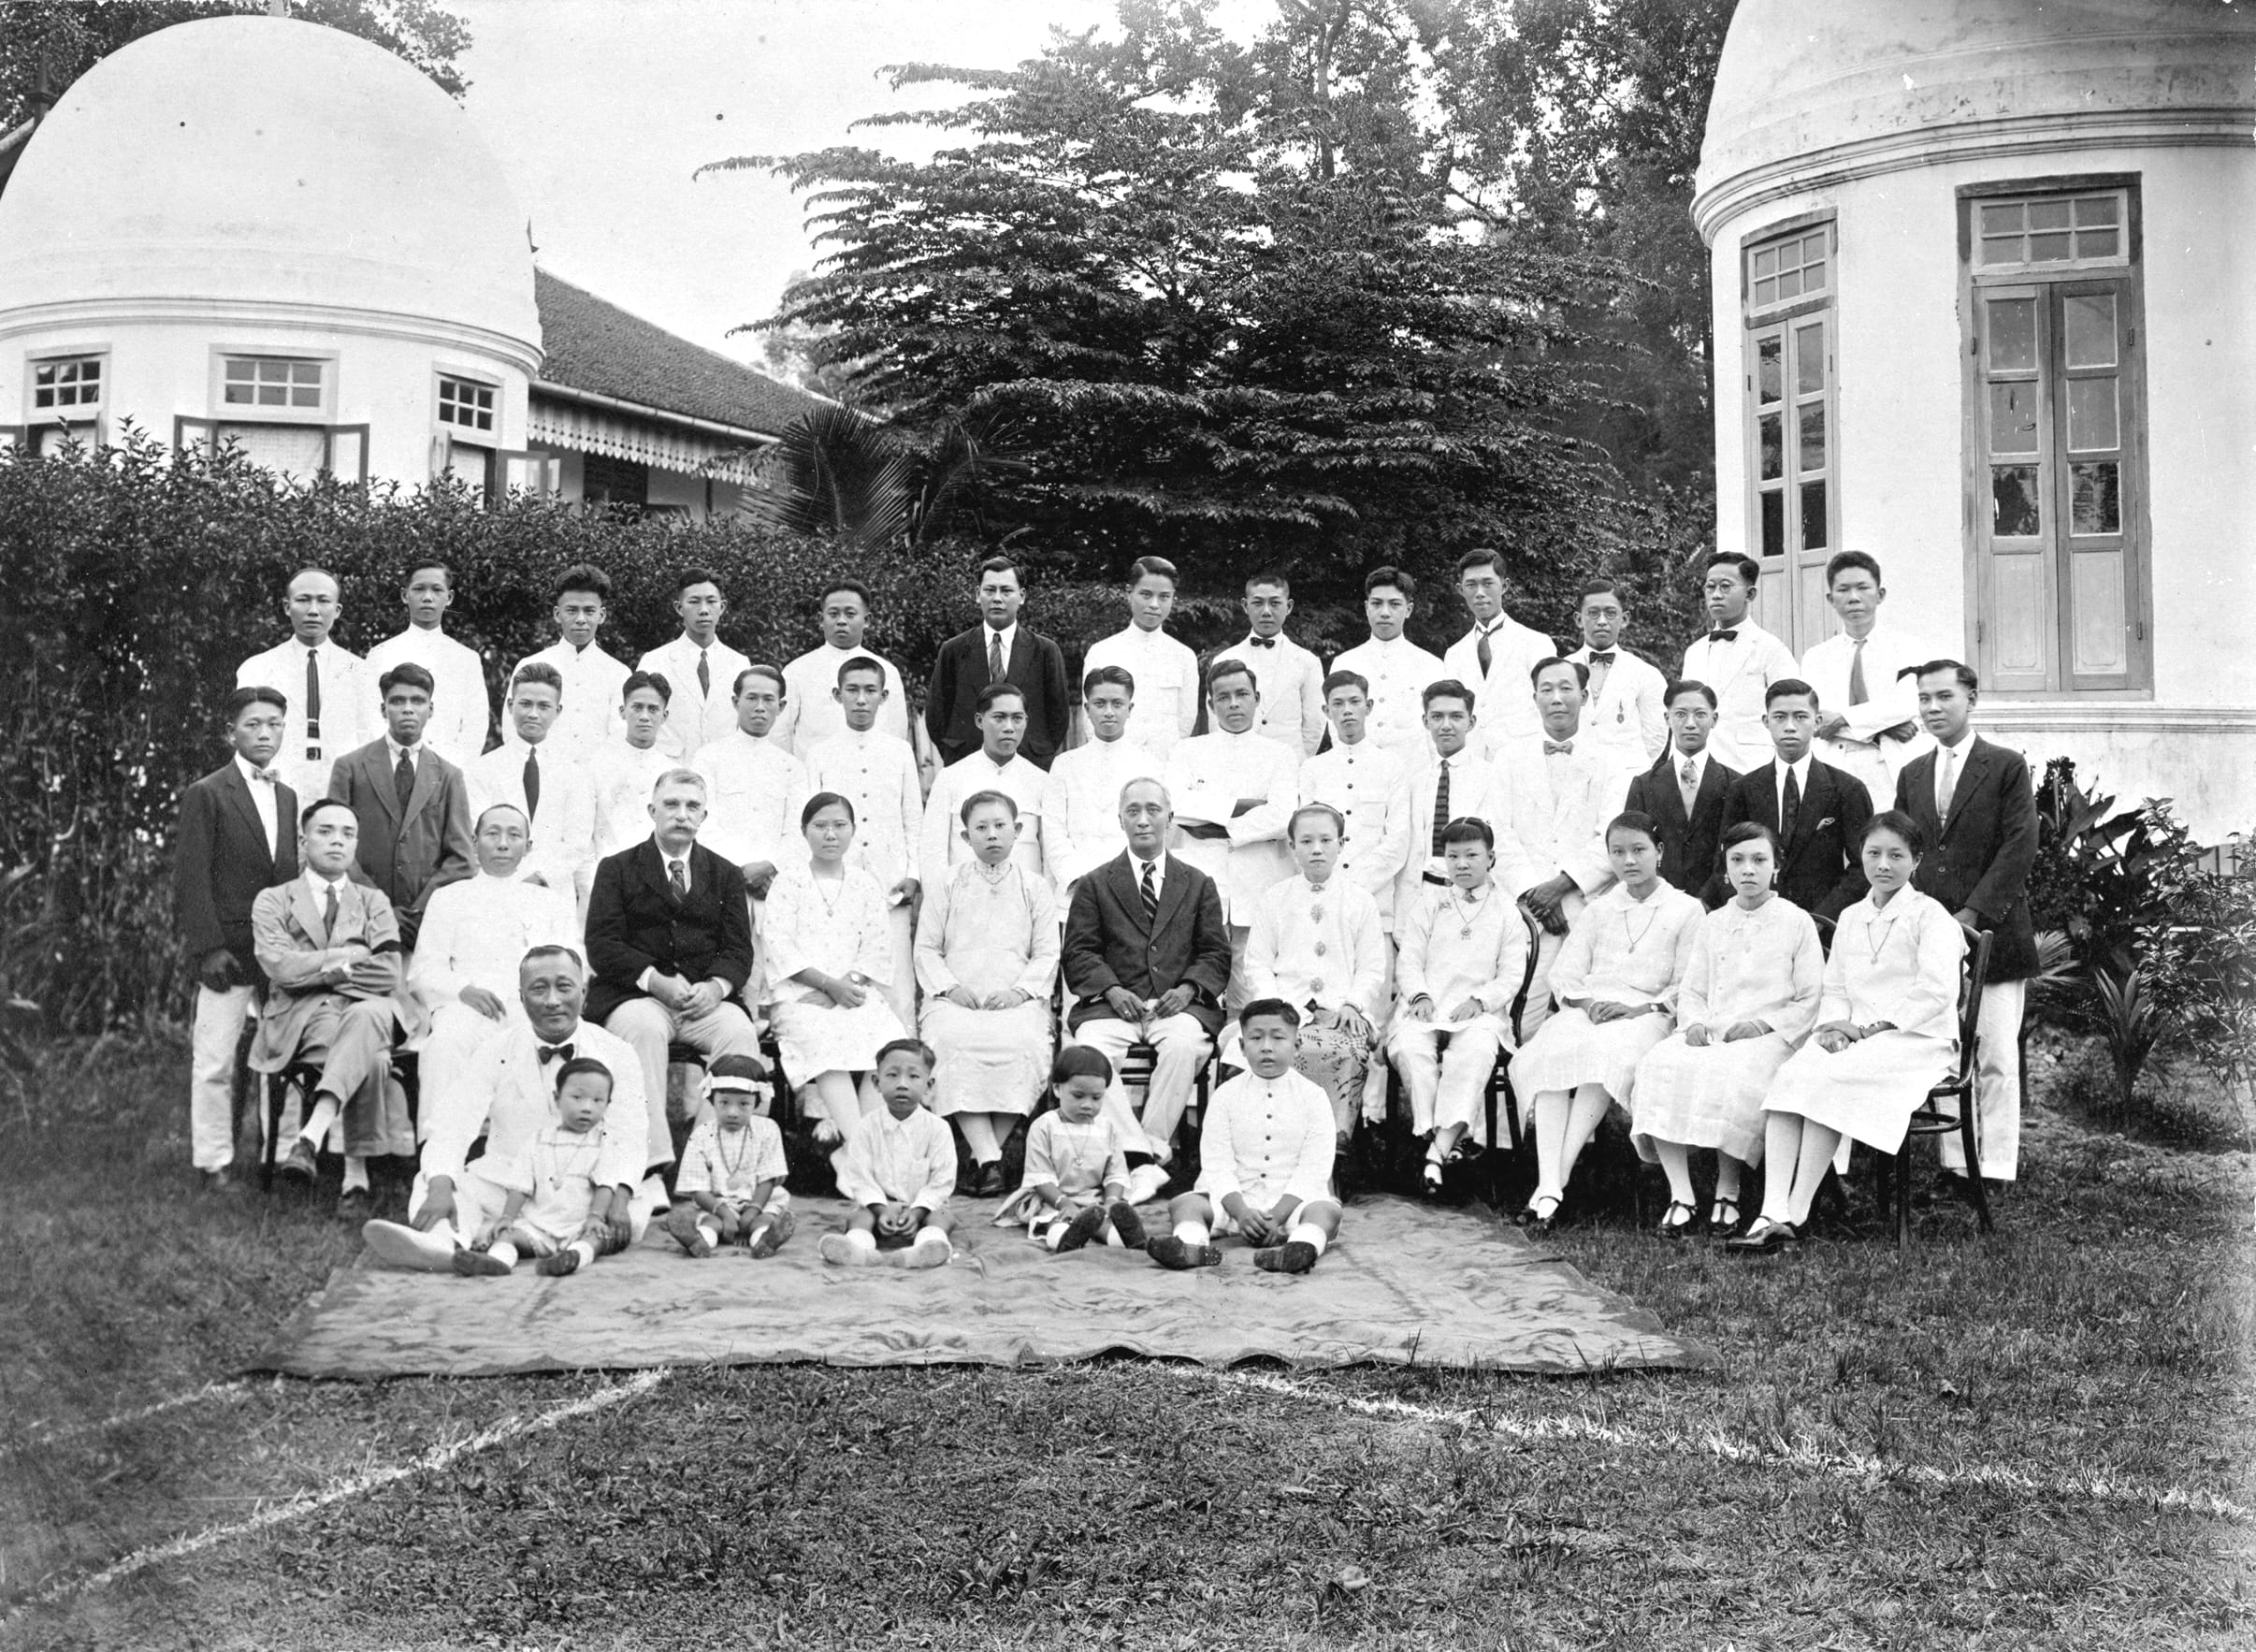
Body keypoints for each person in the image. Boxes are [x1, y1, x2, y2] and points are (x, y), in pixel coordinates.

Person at [1730, 812, 1965, 1254]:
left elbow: (1936, 992)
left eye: (1897, 855)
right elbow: (1835, 987)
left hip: (1916, 1039)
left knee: (1833, 1079)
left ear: (1916, 861)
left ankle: (1795, 1213)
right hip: (1855, 1035)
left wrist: (1870, 1028)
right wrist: (1832, 1030)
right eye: (1873, 853)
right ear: (1860, 857)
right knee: (1795, 1074)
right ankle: (1771, 1208)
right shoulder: (1853, 917)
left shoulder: (1930, 916)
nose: (1883, 865)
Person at [362, 944, 656, 1272]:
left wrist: (617, 1200)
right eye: (539, 988)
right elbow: (453, 1121)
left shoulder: (617, 1051)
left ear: (584, 992)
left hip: (587, 1188)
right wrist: (441, 1185)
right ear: (521, 996)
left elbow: (629, 1134)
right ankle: (444, 1246)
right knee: (435, 1180)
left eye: (564, 986)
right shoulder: (495, 1049)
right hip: (511, 1182)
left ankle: (510, 1238)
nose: (553, 1000)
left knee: (633, 1209)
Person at [1506, 812, 1703, 1230]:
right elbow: (1567, 973)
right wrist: (1590, 1004)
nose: (1629, 861)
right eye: (1618, 852)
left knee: (1602, 1058)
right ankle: (1548, 1185)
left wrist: (1639, 1010)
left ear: (1659, 852)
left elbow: (1688, 982)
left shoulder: (1685, 910)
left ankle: (1551, 1186)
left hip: (1647, 1015)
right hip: (1590, 1009)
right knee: (1549, 1057)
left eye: (1638, 850)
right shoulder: (1599, 910)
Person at [1630, 822, 1825, 1239]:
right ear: (1725, 868)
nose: (1748, 870)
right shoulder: (1714, 921)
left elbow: (1810, 997)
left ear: (1776, 866)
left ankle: (1728, 1189)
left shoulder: (1796, 922)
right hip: (1714, 1028)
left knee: (1734, 1075)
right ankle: (1681, 1194)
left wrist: (1763, 1024)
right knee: (1657, 1064)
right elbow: (1693, 988)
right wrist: (1695, 1022)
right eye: (1737, 860)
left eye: (1759, 860)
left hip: (1772, 1036)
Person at [1894, 659, 2039, 1188]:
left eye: (1944, 697)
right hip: (1930, 937)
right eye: (1924, 699)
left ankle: (1997, 1164)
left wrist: (1971, 916)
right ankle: (1957, 1161)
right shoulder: (1912, 774)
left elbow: (2020, 846)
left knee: (1997, 1053)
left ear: (1971, 699)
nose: (1932, 708)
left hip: (1993, 934)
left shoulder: (2004, 766)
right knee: (1942, 1049)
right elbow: (1903, 850)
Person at [584, 768, 764, 1173]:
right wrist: (654, 980)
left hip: (704, 1003)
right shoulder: (617, 868)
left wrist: (717, 987)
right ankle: (651, 1160)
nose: (682, 814)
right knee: (643, 1031)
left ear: (704, 816)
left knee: (738, 1032)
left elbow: (738, 948)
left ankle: (708, 1159)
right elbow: (602, 944)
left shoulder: (725, 874)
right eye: (671, 804)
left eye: (692, 807)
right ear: (652, 810)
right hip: (637, 996)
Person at [253, 799, 423, 1221]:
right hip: (304, 1015)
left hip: (375, 1006)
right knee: (373, 1055)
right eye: (326, 831)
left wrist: (313, 964)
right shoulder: (274, 900)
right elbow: (279, 966)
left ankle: (310, 1137)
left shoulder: (373, 900)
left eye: (347, 834)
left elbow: (386, 972)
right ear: (303, 839)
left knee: (365, 1017)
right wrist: (343, 958)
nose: (337, 841)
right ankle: (355, 1176)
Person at [1063, 778, 1233, 1162]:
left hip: (1177, 1008)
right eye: (1133, 811)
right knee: (1090, 1054)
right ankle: (1141, 1150)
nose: (1143, 820)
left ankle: (1149, 1146)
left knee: (1184, 1046)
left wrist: (1189, 989)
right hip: (1111, 1008)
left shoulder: (1198, 883)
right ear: (1119, 820)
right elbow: (1079, 952)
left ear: (1170, 819)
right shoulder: (1094, 884)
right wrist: (1111, 990)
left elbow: (1215, 953)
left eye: (1153, 810)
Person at [175, 685, 299, 1194]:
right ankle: (212, 1160)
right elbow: (191, 877)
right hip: (227, 951)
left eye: (273, 723)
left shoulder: (288, 797)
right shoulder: (208, 792)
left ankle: (286, 1153)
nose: (264, 733)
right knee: (215, 1059)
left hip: (279, 952)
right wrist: (208, 948)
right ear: (231, 732)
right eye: (252, 724)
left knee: (283, 1054)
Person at [407, 804, 580, 1149]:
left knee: (539, 1048)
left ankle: (532, 1153)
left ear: (528, 847)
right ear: (474, 842)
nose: (503, 844)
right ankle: (441, 1155)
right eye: (492, 833)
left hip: (530, 1010)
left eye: (514, 835)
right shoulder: (449, 898)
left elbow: (571, 966)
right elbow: (424, 969)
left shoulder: (551, 903)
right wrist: (464, 991)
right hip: (465, 1007)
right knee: (445, 1044)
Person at [918, 790, 1060, 1195]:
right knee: (950, 1042)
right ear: (966, 837)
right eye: (981, 828)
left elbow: (1048, 951)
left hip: (1016, 1000)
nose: (992, 835)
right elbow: (926, 947)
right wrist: (951, 987)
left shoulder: (1035, 887)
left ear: (1017, 831)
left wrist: (1020, 992)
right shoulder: (947, 883)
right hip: (956, 999)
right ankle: (992, 1157)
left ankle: (985, 1158)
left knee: (1023, 1044)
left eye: (1000, 826)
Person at [1148, 1000, 1342, 1274]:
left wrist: (1278, 1216)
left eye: (1278, 1037)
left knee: (1327, 1211)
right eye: (1255, 1037)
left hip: (1293, 1202)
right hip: (1234, 1203)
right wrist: (1240, 1212)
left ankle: (1300, 1248)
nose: (1266, 1046)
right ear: (1241, 1047)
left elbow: (1315, 1168)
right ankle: (1190, 1247)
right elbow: (1216, 1162)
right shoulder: (1225, 1095)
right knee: (1185, 1203)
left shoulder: (1314, 1097)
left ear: (1297, 1046)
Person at [1387, 818, 1530, 1189]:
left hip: (1478, 1012)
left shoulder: (1506, 911)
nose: (1462, 864)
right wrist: (1419, 996)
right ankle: (1446, 1145)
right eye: (1453, 856)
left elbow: (1511, 975)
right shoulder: (1430, 904)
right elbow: (1409, 960)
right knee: (1409, 1048)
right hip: (1427, 1005)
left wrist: (1480, 1001)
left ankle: (1434, 1155)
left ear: (1491, 858)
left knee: (1474, 1053)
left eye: (1471, 855)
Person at [763, 792, 908, 1141]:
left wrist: (847, 984)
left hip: (854, 991)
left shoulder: (864, 883)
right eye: (821, 826)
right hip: (801, 994)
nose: (831, 835)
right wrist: (829, 986)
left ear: (853, 830)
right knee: (823, 1042)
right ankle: (862, 1150)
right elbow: (779, 945)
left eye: (840, 825)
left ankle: (860, 1149)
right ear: (804, 831)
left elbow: (876, 944)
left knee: (890, 1044)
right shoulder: (788, 883)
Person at [1491, 659, 1625, 1036]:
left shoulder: (1611, 761)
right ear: (1534, 698)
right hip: (1526, 910)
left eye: (1566, 689)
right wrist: (1535, 894)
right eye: (1546, 689)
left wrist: (1561, 887)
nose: (1557, 698)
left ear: (1583, 697)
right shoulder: (1509, 759)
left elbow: (1611, 837)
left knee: (1587, 1012)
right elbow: (1499, 832)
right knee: (1525, 1013)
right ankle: (1526, 1094)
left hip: (1587, 905)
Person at [1241, 804, 1386, 1142]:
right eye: (1306, 841)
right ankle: (1274, 1143)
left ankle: (1334, 1145)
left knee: (1347, 1050)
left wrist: (1354, 1004)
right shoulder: (1275, 898)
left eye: (1325, 840)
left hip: (1340, 1012)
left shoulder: (1360, 900)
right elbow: (1258, 962)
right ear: (1292, 847)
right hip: (1285, 1008)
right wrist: (1273, 1008)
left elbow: (1371, 966)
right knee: (1260, 1049)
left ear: (1341, 844)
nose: (1316, 849)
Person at [1163, 658, 1300, 1001]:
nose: (1234, 703)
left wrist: (1218, 825)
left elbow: (1283, 817)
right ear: (1211, 704)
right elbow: (1177, 806)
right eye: (1223, 697)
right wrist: (1243, 806)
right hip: (1202, 880)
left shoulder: (1281, 755)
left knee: (1250, 990)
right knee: (1196, 985)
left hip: (1258, 883)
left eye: (1242, 694)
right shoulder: (1187, 750)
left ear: (1256, 698)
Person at [803, 655, 923, 1020]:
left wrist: (913, 874)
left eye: (869, 691)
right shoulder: (820, 753)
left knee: (895, 980)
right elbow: (809, 822)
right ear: (837, 695)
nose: (860, 699)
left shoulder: (900, 751)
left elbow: (913, 820)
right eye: (852, 690)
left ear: (884, 697)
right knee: (843, 970)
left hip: (891, 884)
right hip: (837, 883)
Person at [325, 661, 474, 949]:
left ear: (430, 710)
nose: (408, 709)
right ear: (383, 710)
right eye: (397, 701)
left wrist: (420, 911)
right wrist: (379, 908)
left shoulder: (449, 775)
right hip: (359, 919)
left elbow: (462, 860)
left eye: (417, 701)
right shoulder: (350, 768)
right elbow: (336, 848)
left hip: (424, 925)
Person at [445, 1055, 628, 1278]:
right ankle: (497, 1261)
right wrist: (507, 1218)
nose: (587, 1108)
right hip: (537, 1226)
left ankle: (574, 1258)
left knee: (597, 1237)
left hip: (580, 1225)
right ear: (557, 1098)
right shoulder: (537, 1140)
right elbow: (521, 1186)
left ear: (607, 1104)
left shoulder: (604, 1143)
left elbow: (605, 1186)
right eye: (577, 1098)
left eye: (597, 1101)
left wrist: (596, 1216)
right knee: (507, 1235)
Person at [1711, 679, 1873, 923]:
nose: (1789, 727)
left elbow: (1863, 866)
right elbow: (1723, 861)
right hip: (1755, 921)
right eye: (1779, 717)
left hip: (1821, 926)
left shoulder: (1847, 788)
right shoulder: (1743, 789)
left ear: (1817, 722)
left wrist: (1821, 919)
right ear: (1766, 722)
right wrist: (1748, 911)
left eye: (1800, 717)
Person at [1800, 551, 1933, 801]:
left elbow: (1905, 706)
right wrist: (1884, 726)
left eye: (1863, 588)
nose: (1853, 598)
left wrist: (1840, 719)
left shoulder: (1907, 647)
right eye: (1843, 590)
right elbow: (1816, 722)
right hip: (1834, 765)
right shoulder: (1815, 658)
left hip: (1892, 765)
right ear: (1830, 598)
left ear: (1880, 594)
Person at [466, 662, 599, 911]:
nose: (533, 714)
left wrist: (540, 878)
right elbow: (476, 835)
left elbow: (577, 843)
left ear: (558, 711)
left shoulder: (575, 774)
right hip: (496, 892)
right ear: (510, 705)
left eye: (544, 706)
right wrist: (509, 881)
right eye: (525, 704)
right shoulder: (481, 769)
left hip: (553, 896)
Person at [236, 566, 374, 801]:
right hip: (276, 787)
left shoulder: (361, 671)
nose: (313, 611)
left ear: (337, 610)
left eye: (323, 601)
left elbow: (369, 738)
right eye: (303, 600)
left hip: (343, 790)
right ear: (287, 607)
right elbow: (248, 737)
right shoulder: (257, 668)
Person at [820, 1037, 959, 1268]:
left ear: (929, 1085)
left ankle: (927, 1247)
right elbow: (859, 1177)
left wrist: (917, 1211)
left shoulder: (938, 1129)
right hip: (879, 1205)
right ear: (876, 1082)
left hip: (923, 1206)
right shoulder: (866, 1127)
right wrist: (880, 1208)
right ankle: (859, 1249)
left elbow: (942, 1180)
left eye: (914, 1076)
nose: (902, 1084)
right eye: (892, 1075)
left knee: (943, 1218)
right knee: (858, 1217)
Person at [693, 664, 811, 935]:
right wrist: (739, 872)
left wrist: (771, 867)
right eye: (751, 698)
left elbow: (797, 831)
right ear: (735, 702)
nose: (760, 707)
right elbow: (704, 825)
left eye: (769, 699)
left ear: (781, 707)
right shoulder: (708, 758)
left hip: (774, 889)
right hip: (721, 886)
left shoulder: (792, 767)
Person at [995, 1046, 1149, 1252]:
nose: (1087, 1105)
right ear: (1057, 1089)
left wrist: (1111, 1201)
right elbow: (1040, 1177)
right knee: (1054, 1222)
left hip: (1093, 1199)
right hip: (1052, 1199)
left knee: (1103, 1223)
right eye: (1078, 1096)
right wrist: (1064, 1204)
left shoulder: (1107, 1128)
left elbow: (1116, 1173)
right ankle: (1065, 1239)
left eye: (1096, 1098)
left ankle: (1127, 1240)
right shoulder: (1044, 1126)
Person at [925, 557, 1071, 769]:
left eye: (1006, 591)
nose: (997, 598)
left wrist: (1038, 752)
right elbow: (936, 715)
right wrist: (957, 751)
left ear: (1021, 596)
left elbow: (1059, 717)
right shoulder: (954, 650)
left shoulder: (1045, 651)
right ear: (977, 595)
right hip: (966, 763)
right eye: (990, 590)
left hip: (1028, 765)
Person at [1298, 670, 1412, 938]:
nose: (1347, 711)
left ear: (1369, 706)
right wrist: (1331, 888)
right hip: (1323, 902)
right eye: (1338, 704)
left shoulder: (1392, 766)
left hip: (1375, 904)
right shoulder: (1312, 769)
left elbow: (1397, 841)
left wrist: (1355, 887)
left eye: (1354, 702)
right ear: (1327, 710)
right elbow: (1304, 836)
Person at [1040, 665, 1162, 907]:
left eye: (1117, 704)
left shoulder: (1149, 765)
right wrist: (1078, 878)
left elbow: (1154, 831)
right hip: (1077, 890)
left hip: (1131, 890)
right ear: (1087, 709)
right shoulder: (1065, 764)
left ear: (1130, 708)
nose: (1108, 712)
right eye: (1099, 703)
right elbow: (1053, 830)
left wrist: (1130, 879)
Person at [1393, 679, 1507, 928]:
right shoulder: (1413, 779)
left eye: (1456, 716)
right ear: (1425, 722)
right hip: (1420, 895)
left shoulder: (1491, 776)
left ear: (1471, 722)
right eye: (1437, 717)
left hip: (1471, 897)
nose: (1446, 726)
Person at [360, 559, 491, 767]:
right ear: (405, 595)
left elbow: (475, 725)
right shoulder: (380, 654)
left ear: (449, 598)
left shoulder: (466, 659)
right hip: (394, 766)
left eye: (437, 590)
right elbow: (369, 717)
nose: (428, 597)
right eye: (419, 589)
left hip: (448, 770)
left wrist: (452, 769)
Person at [1678, 553, 1799, 773]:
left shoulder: (1771, 650)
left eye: (1725, 587)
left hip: (1750, 767)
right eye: (1710, 587)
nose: (1716, 595)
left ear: (1749, 594)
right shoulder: (1694, 652)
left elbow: (1792, 713)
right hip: (1700, 769)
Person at [665, 1053, 794, 1258]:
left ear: (757, 1101)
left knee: (764, 1220)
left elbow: (768, 1178)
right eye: (724, 1102)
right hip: (718, 1204)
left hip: (760, 1201)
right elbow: (697, 1188)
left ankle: (763, 1241)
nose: (733, 1112)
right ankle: (700, 1240)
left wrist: (752, 1211)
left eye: (743, 1104)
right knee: (711, 1223)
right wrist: (724, 1213)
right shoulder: (701, 1135)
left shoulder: (767, 1129)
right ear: (711, 1099)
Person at [922, 682, 1048, 888]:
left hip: (1024, 901)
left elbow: (1049, 856)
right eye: (999, 717)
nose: (1009, 727)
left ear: (1026, 721)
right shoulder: (950, 778)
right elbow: (932, 853)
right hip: (965, 901)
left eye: (1017, 718)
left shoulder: (1042, 781)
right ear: (980, 721)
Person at [1623, 681, 1739, 898]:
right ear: (1667, 719)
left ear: (1714, 719)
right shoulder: (1644, 785)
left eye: (1700, 714)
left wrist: (1709, 899)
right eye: (1681, 714)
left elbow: (1738, 850)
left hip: (1717, 905)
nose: (1690, 724)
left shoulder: (1735, 784)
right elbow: (1633, 848)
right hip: (1658, 903)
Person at [774, 578, 918, 754]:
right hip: (814, 776)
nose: (841, 621)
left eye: (850, 614)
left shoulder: (887, 671)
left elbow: (897, 732)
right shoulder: (797, 671)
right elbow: (779, 734)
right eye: (833, 614)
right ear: (821, 619)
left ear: (867, 620)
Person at [1081, 556, 1200, 758]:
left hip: (1165, 764)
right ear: (1129, 593)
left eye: (1164, 596)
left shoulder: (1183, 656)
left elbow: (1185, 720)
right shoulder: (1102, 651)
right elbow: (1090, 718)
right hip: (1113, 760)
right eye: (1146, 594)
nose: (1154, 604)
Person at [1439, 548, 1552, 754]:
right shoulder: (1454, 654)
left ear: (1505, 585)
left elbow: (1550, 706)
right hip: (1472, 760)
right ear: (1460, 590)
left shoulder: (1536, 643)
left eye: (1488, 583)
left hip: (1521, 759)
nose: (1480, 593)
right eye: (1471, 585)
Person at [511, 564, 628, 761]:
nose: (581, 619)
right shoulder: (531, 665)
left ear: (602, 615)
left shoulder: (619, 673)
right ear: (557, 614)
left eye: (589, 611)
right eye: (572, 610)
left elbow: (621, 737)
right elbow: (513, 731)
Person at [1331, 565, 1448, 756]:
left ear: (1408, 609)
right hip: (1360, 770)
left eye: (1394, 604)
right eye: (1377, 604)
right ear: (1366, 608)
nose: (1385, 612)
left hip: (1413, 772)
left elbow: (1438, 725)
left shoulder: (1430, 665)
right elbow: (1334, 725)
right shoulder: (1345, 663)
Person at [1208, 571, 1325, 757]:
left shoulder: (1307, 662)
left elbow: (1315, 722)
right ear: (1245, 606)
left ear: (1288, 606)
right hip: (1238, 759)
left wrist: (1299, 760)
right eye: (1258, 603)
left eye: (1275, 603)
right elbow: (1216, 720)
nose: (1266, 612)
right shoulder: (1224, 660)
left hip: (1289, 762)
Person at [640, 567, 752, 760]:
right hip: (670, 769)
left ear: (722, 607)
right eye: (694, 602)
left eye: (711, 602)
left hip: (723, 769)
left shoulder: (739, 663)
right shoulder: (655, 661)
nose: (703, 610)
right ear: (678, 607)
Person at [1565, 578, 1668, 780]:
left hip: (1627, 779)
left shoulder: (1646, 674)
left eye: (1610, 613)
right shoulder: (1561, 670)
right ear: (1578, 619)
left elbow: (1656, 737)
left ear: (1625, 618)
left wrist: (1632, 775)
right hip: (1573, 777)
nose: (1602, 621)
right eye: (1593, 613)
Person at [590, 672, 681, 860]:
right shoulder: (597, 767)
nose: (644, 717)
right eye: (637, 708)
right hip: (606, 877)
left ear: (664, 716)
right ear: (622, 711)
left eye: (653, 709)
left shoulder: (673, 773)